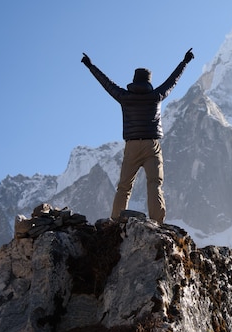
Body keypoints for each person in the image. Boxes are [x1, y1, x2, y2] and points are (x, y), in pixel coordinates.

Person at [80, 48, 194, 223]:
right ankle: (157, 221)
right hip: (151, 145)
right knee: (154, 183)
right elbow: (173, 81)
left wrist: (91, 66)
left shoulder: (124, 96)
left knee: (124, 187)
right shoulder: (156, 95)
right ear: (149, 81)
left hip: (132, 146)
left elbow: (106, 83)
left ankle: (117, 220)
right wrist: (184, 62)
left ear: (133, 81)